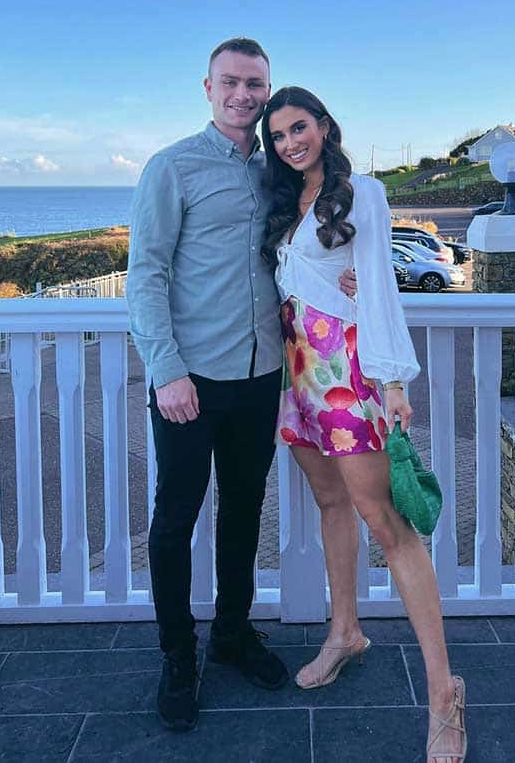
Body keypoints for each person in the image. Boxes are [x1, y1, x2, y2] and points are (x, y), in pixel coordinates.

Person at [126, 39, 356, 732]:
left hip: (260, 378)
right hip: (189, 381)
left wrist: (344, 279)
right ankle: (178, 655)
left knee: (243, 511)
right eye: (231, 82)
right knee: (173, 522)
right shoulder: (172, 168)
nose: (244, 95)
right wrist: (165, 369)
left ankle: (231, 634)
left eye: (255, 84)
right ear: (208, 87)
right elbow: (147, 274)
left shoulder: (271, 174)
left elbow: (306, 246)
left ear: (267, 89)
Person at [261, 87, 467, 763]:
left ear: (324, 126)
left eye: (300, 127)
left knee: (387, 523)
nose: (292, 142)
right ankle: (345, 632)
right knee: (330, 503)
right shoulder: (281, 201)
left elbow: (376, 282)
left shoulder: (363, 193)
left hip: (347, 375)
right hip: (299, 377)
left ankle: (444, 694)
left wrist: (393, 378)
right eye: (280, 134)